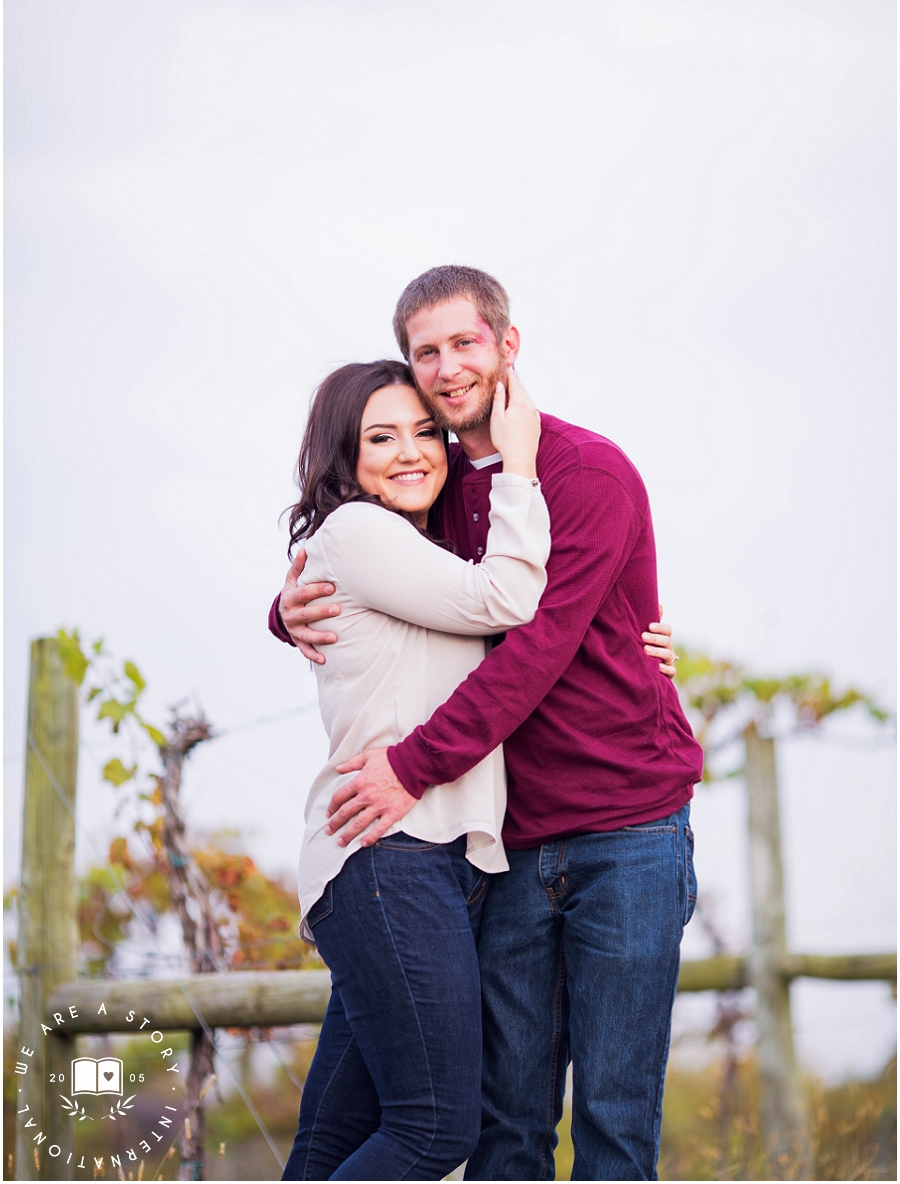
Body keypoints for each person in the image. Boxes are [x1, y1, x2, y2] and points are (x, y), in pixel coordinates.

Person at [271, 265, 700, 1182]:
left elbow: (536, 643)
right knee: (504, 1130)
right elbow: (373, 574)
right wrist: (288, 604)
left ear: (508, 345)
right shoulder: (438, 495)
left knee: (617, 1124)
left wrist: (412, 765)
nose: (447, 366)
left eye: (465, 341)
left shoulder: (587, 473)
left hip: (625, 831)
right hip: (503, 850)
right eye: (426, 351)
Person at [281, 356, 552, 1181]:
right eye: (381, 436)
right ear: (343, 456)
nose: (413, 451)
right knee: (435, 1128)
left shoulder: (409, 548)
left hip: (414, 863)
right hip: (386, 857)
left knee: (336, 1134)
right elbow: (505, 600)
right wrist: (520, 467)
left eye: (427, 432)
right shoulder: (360, 532)